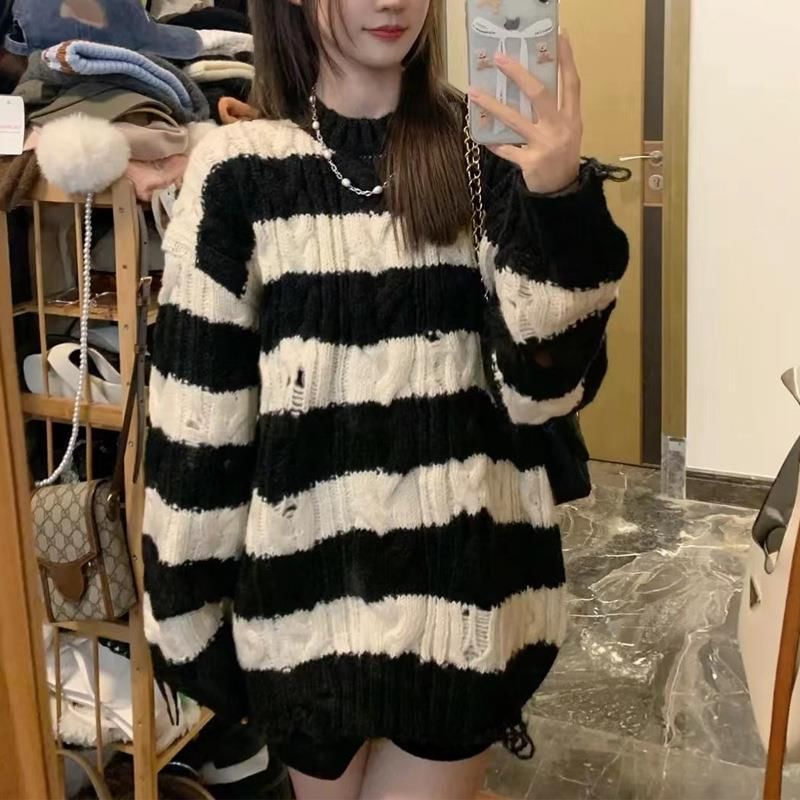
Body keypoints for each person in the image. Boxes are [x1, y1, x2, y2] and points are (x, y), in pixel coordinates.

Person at [141, 0, 629, 797]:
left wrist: (558, 197)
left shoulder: (486, 149)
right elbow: (200, 416)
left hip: (463, 603)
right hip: (304, 609)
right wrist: (189, 616)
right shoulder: (239, 169)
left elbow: (545, 392)